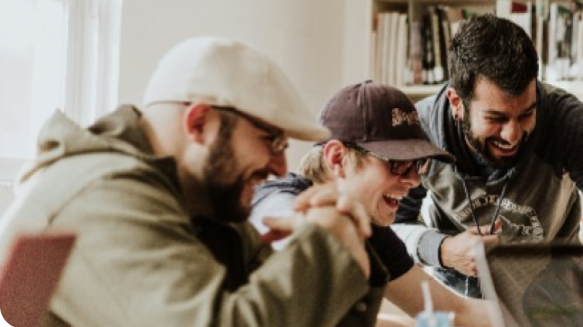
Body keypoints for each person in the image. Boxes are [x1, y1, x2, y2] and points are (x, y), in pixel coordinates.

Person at [0, 36, 383, 327]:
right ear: (199, 123)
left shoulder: (201, 203)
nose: (282, 168)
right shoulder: (100, 196)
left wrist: (345, 243)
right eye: (271, 140)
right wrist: (326, 246)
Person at [391, 14, 583, 327]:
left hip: (552, 301)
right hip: (456, 305)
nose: (512, 135)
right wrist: (443, 249)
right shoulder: (420, 131)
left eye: (526, 114)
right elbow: (390, 228)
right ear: (456, 102)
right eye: (496, 119)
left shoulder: (568, 122)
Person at [249, 80, 491, 327]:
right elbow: (286, 228)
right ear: (337, 158)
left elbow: (457, 312)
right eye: (398, 164)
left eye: (417, 165)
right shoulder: (277, 200)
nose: (414, 180)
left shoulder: (368, 226)